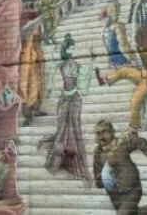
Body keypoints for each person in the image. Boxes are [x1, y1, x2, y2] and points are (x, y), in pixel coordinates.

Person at [39, 34, 91, 186]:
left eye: (73, 48)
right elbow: (51, 75)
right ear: (66, 49)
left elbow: (83, 77)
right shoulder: (62, 65)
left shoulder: (74, 64)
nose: (72, 50)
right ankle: (58, 160)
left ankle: (75, 164)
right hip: (64, 98)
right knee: (62, 129)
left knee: (75, 130)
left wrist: (90, 62)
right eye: (70, 48)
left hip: (74, 99)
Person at [93, 120, 147, 214]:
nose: (101, 136)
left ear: (112, 132)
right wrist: (107, 173)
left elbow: (140, 142)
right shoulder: (97, 154)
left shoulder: (122, 143)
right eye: (98, 133)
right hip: (115, 196)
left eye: (104, 132)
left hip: (132, 189)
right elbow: (98, 182)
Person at [18, 27, 47, 126]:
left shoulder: (39, 51)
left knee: (38, 95)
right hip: (29, 78)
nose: (37, 42)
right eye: (36, 40)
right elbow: (24, 69)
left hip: (38, 77)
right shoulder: (27, 52)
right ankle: (27, 117)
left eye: (39, 40)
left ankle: (37, 110)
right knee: (28, 97)